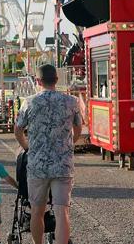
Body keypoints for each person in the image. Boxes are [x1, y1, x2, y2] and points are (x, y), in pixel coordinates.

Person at [14, 64, 83, 244]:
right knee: (62, 212)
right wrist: (69, 145)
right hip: (63, 165)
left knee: (37, 211)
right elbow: (78, 129)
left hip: (37, 166)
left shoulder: (29, 102)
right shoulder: (71, 101)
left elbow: (18, 130)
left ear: (38, 81)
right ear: (57, 80)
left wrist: (28, 147)